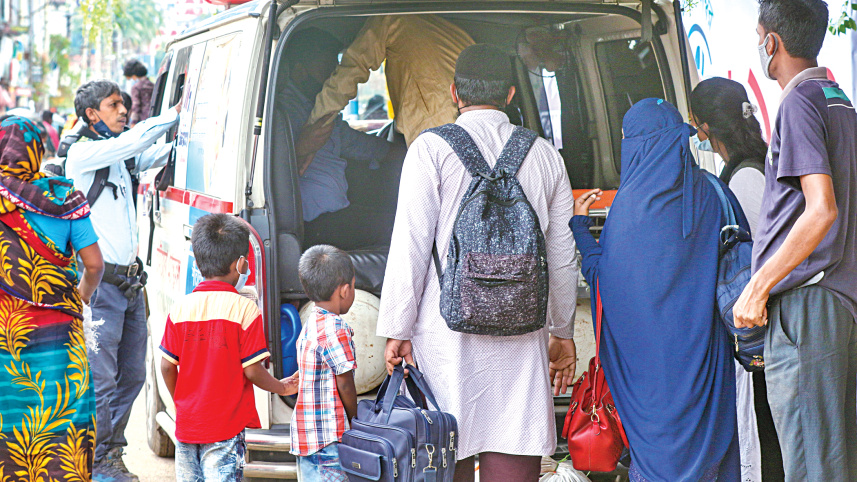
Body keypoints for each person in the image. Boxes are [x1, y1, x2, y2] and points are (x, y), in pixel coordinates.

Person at [378, 44, 578, 482]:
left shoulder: (431, 150)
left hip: (445, 334)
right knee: (515, 437)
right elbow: (562, 256)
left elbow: (410, 244)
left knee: (443, 444)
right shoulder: (545, 154)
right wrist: (561, 331)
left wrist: (398, 328)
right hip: (523, 337)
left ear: (454, 92)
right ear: (510, 94)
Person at [571, 98, 740, 481]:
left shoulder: (627, 212)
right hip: (709, 378)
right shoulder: (714, 193)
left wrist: (581, 228)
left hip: (648, 395)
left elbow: (604, 284)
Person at [734, 1, 857, 480]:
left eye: (758, 36)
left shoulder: (799, 102)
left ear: (772, 42)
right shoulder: (837, 100)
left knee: (811, 466)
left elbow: (821, 208)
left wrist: (757, 287)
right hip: (837, 304)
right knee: (833, 461)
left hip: (807, 307)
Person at [64, 80, 180, 482]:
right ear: (91, 113)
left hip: (129, 286)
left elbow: (158, 152)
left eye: (123, 104)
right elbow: (136, 141)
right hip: (100, 290)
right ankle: (96, 461)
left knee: (132, 376)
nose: (123, 110)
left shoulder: (120, 157)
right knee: (100, 381)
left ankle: (108, 453)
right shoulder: (83, 154)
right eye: (113, 105)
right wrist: (176, 112)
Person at [690, 77, 785, 482]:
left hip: (765, 328)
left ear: (704, 128)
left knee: (769, 435)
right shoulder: (760, 162)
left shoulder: (744, 178)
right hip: (772, 323)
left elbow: (756, 261)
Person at [0, 116, 104, 480]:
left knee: (8, 413)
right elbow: (94, 265)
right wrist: (80, 297)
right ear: (38, 152)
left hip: (5, 333)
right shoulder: (63, 198)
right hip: (60, 334)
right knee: (64, 414)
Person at [159, 213, 298, 482]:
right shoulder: (245, 310)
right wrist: (282, 387)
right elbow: (253, 371)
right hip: (225, 427)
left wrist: (183, 405)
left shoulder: (180, 309)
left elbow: (166, 366)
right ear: (240, 264)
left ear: (198, 262)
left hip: (188, 426)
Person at [279, 28, 404, 250]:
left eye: (334, 70)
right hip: (313, 225)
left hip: (338, 215)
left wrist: (406, 152)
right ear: (299, 72)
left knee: (395, 218)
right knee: (400, 229)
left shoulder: (323, 113)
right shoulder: (285, 112)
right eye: (325, 68)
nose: (332, 79)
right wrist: (300, 148)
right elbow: (274, 170)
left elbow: (360, 145)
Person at [301, 14, 474, 150]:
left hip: (440, 131)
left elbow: (350, 71)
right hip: (473, 124)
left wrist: (312, 129)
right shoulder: (439, 25)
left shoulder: (389, 19)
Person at [290, 244, 358, 480]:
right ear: (345, 290)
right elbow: (345, 383)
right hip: (329, 439)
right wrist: (356, 422)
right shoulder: (336, 328)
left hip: (307, 437)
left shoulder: (310, 322)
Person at [123, 59, 154, 127]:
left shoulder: (136, 87)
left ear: (134, 75)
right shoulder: (153, 85)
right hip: (154, 119)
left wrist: (133, 122)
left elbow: (136, 106)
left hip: (142, 122)